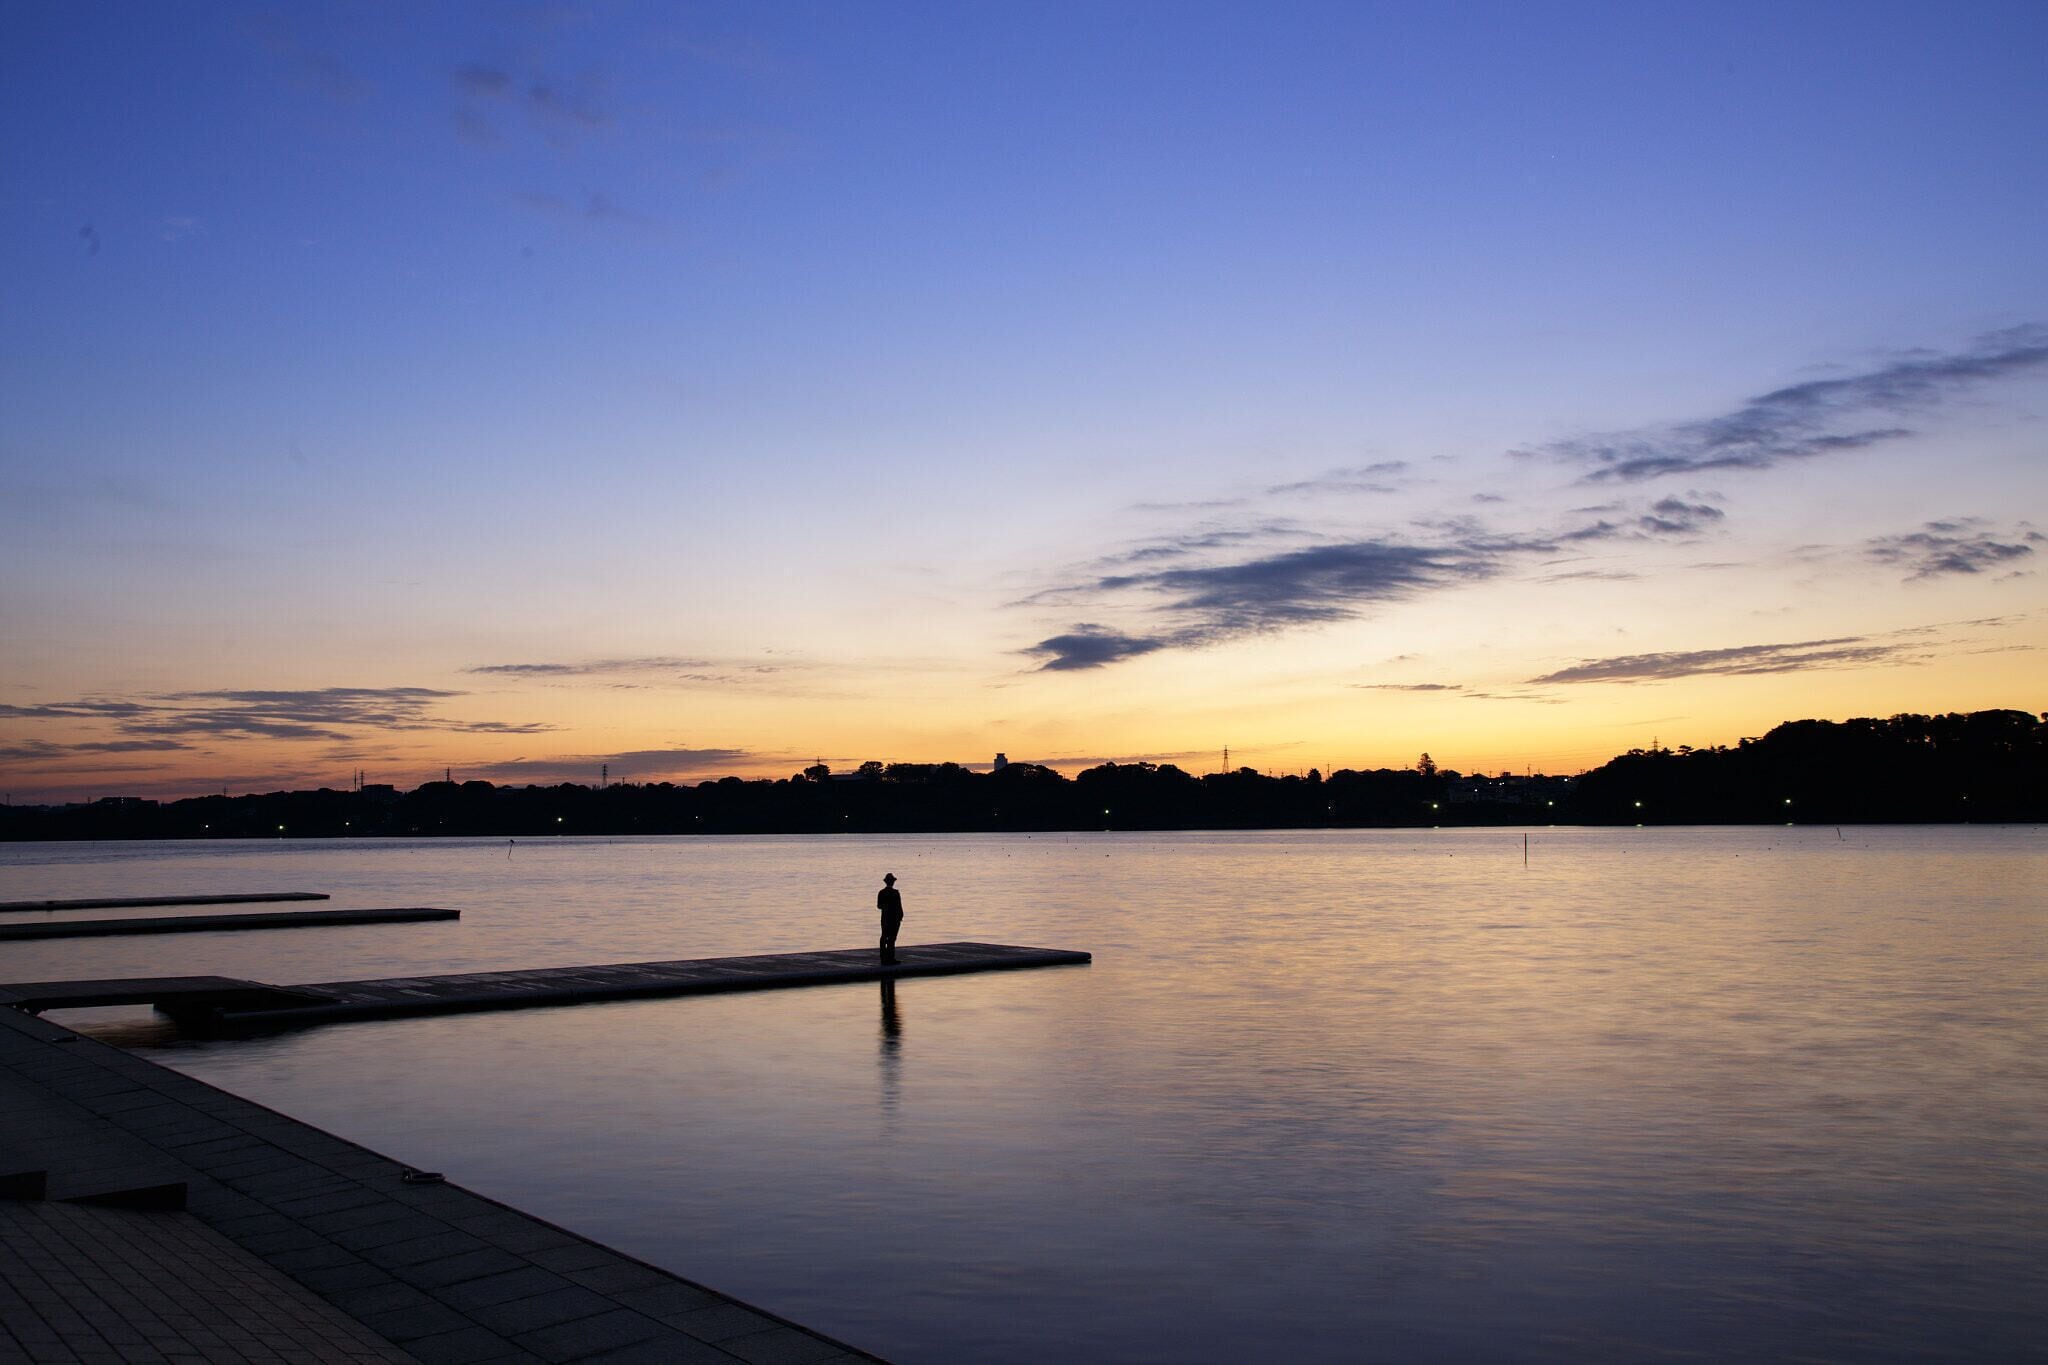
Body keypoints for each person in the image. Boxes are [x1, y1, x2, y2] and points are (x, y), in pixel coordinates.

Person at [877, 872, 904, 965]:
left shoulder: (881, 892)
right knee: (891, 938)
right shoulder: (895, 893)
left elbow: (879, 906)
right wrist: (900, 916)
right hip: (893, 918)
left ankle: (883, 956)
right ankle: (890, 957)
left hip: (885, 918)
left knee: (884, 936)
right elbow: (899, 907)